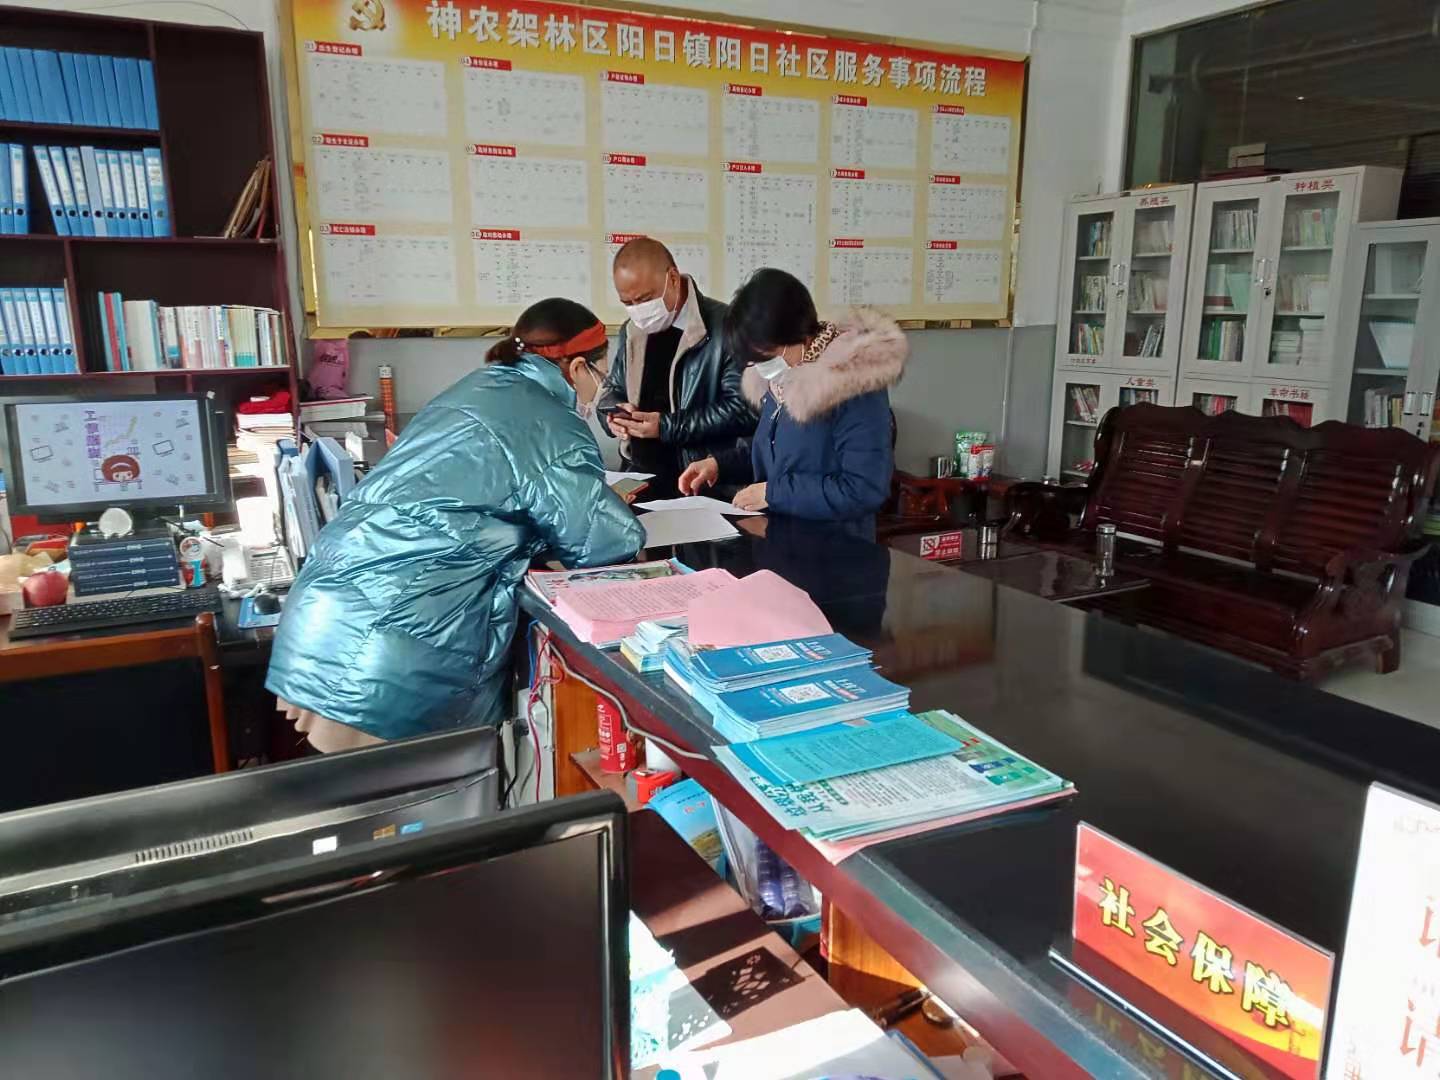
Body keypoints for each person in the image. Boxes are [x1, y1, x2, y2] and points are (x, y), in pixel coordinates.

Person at [266, 298, 644, 751]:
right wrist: (618, 512)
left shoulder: (477, 387)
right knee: (413, 787)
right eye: (600, 372)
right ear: (579, 367)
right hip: (396, 635)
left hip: (326, 609)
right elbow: (600, 543)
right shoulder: (551, 421)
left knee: (359, 785)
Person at [678, 268, 906, 539]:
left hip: (836, 550)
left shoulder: (853, 385)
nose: (759, 367)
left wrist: (772, 493)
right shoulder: (781, 380)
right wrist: (719, 464)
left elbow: (863, 489)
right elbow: (778, 453)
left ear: (798, 335)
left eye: (765, 356)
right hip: (782, 541)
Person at [598, 237, 753, 498]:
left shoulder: (727, 327)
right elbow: (612, 389)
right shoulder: (631, 330)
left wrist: (666, 427)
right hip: (639, 478)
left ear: (672, 278)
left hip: (702, 484)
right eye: (628, 303)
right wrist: (612, 417)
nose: (638, 310)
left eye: (644, 299)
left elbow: (743, 410)